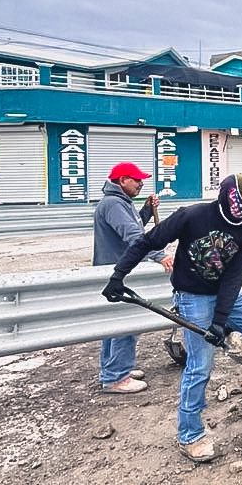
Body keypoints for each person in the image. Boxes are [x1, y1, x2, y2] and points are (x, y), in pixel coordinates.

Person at [101, 173, 242, 463]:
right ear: (231, 196)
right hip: (192, 296)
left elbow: (233, 277)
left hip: (229, 294)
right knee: (200, 364)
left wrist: (220, 321)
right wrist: (118, 275)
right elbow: (147, 242)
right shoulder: (192, 216)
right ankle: (190, 434)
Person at [92, 161, 172, 394]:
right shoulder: (114, 204)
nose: (141, 184)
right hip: (120, 270)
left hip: (118, 268)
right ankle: (116, 376)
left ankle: (112, 370)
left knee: (115, 324)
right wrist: (158, 254)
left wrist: (145, 211)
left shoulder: (119, 202)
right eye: (136, 180)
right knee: (126, 322)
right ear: (122, 180)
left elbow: (131, 226)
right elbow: (133, 235)